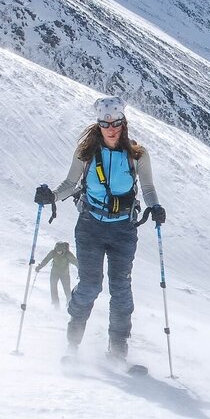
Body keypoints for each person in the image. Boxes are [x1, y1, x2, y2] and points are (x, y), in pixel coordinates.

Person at [34, 96, 166, 363]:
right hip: (90, 227)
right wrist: (52, 197)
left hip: (123, 230)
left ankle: (117, 352)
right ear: (98, 124)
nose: (111, 127)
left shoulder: (137, 154)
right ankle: (72, 346)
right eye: (106, 123)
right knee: (90, 285)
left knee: (120, 288)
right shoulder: (86, 151)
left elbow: (149, 188)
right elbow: (71, 183)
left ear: (123, 122)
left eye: (116, 122)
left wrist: (155, 206)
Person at [37, 241, 78, 307]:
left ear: (63, 250)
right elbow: (46, 260)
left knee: (67, 289)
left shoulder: (68, 254)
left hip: (65, 274)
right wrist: (39, 267)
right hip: (54, 273)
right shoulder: (53, 252)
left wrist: (81, 271)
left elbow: (76, 262)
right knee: (53, 287)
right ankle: (55, 303)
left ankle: (69, 304)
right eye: (57, 250)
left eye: (60, 251)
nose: (58, 252)